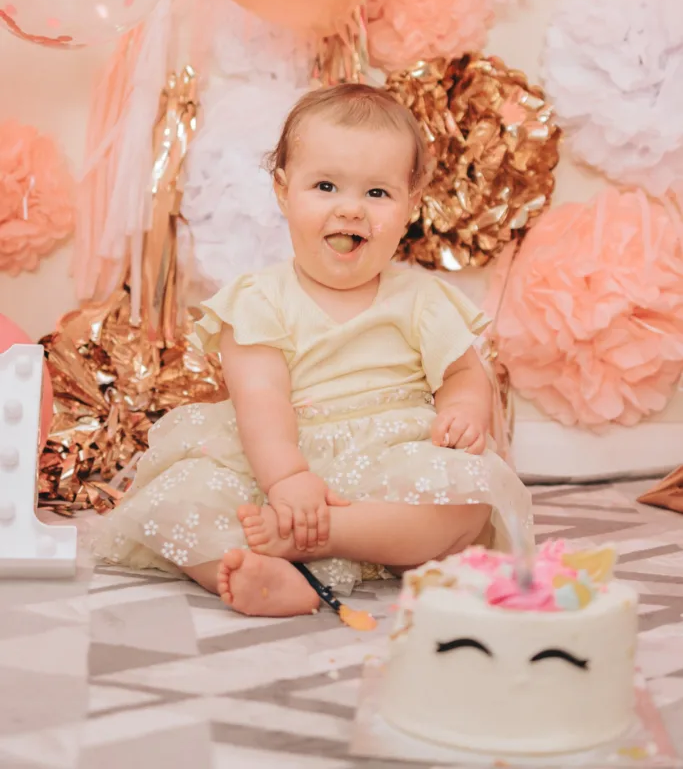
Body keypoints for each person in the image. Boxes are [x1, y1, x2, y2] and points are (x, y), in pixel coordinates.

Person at [95, 84, 533, 618]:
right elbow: (260, 399)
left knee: (466, 499)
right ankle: (274, 577)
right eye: (325, 186)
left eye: (377, 194)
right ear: (283, 192)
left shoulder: (422, 298)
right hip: (278, 457)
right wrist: (286, 479)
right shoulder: (259, 299)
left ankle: (318, 538)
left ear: (410, 205)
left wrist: (462, 411)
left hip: (390, 456)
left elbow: (465, 373)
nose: (351, 209)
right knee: (178, 505)